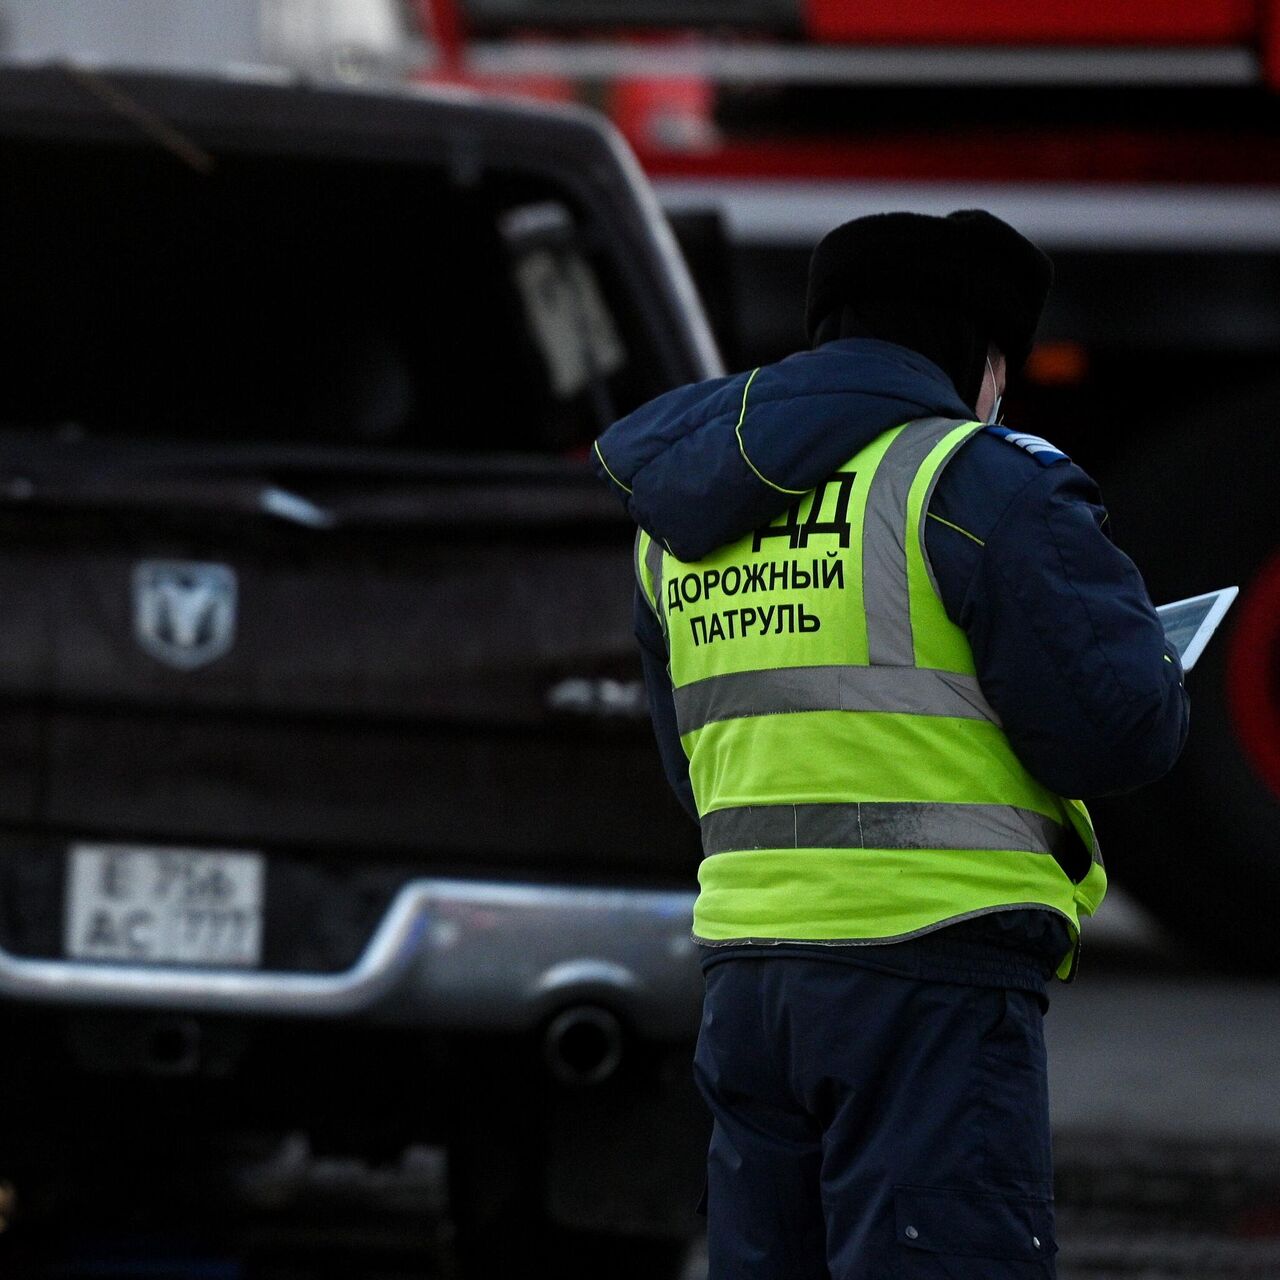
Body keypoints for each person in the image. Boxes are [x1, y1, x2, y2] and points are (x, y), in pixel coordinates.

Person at [591, 209, 1189, 1278]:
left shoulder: (680, 515)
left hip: (748, 978)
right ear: (977, 354)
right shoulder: (972, 480)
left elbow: (696, 762)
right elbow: (1116, 731)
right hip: (928, 973)